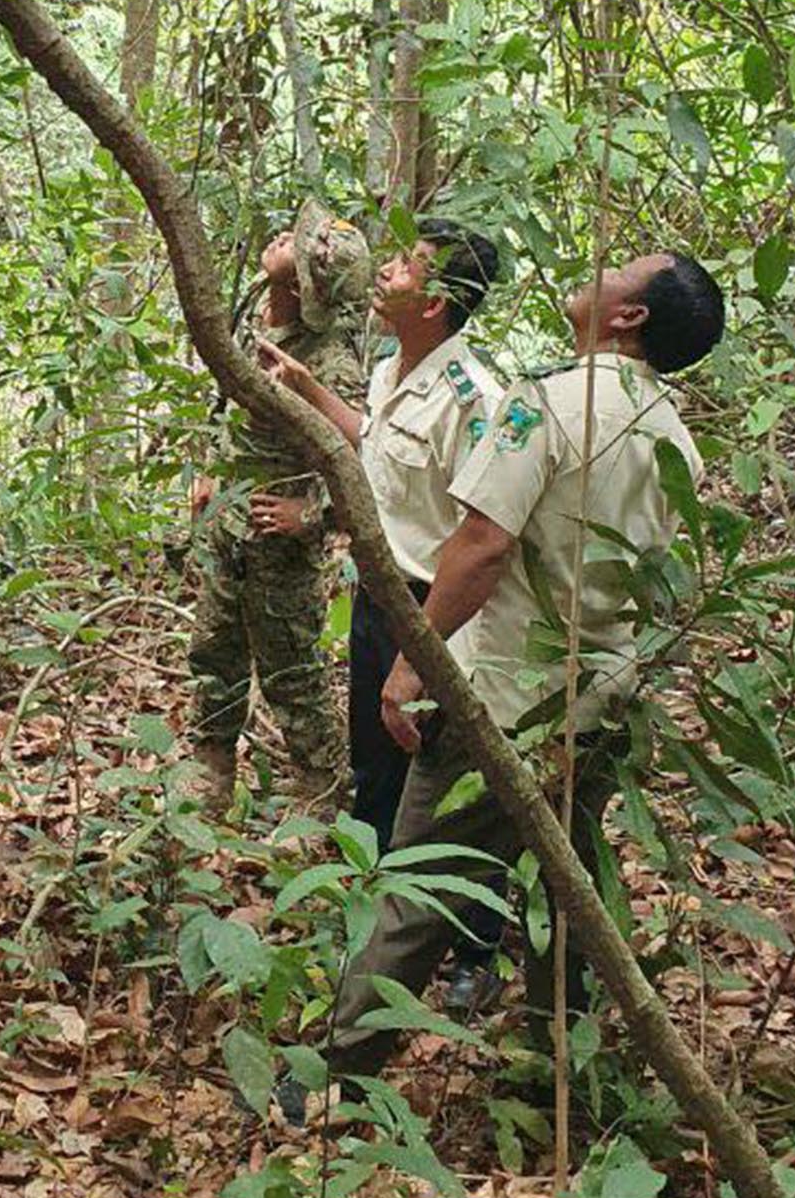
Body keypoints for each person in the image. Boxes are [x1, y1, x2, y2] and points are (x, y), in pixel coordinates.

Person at [302, 251, 726, 1104]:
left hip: (504, 695)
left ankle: (336, 1081)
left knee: (422, 884)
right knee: (564, 892)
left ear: (629, 316)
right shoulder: (674, 438)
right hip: (603, 698)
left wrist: (413, 663)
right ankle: (554, 1070)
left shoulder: (548, 403)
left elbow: (483, 544)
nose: (599, 271)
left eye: (625, 268)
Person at [262, 216, 505, 1011]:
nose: (386, 272)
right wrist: (305, 389)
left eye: (405, 266)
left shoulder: (479, 400)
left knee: (452, 793)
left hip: (436, 615)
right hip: (375, 600)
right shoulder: (392, 368)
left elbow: (482, 530)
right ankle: (369, 927)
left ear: (436, 301)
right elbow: (376, 446)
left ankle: (472, 950)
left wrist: (425, 643)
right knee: (379, 774)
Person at [188, 197, 370, 816]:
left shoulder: (331, 363)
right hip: (228, 531)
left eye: (295, 243)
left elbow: (358, 460)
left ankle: (318, 795)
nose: (279, 238)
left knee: (294, 676)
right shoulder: (256, 327)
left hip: (280, 548)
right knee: (214, 653)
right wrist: (210, 473)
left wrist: (310, 517)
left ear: (304, 284)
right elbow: (232, 414)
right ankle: (209, 773)